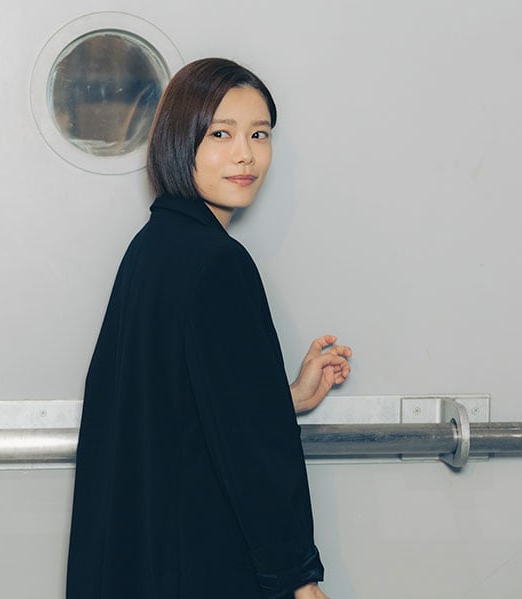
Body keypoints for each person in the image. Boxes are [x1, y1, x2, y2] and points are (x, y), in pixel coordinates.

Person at [66, 57, 352, 599]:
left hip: (145, 564)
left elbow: (183, 408)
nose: (245, 154)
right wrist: (299, 578)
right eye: (221, 133)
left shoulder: (152, 248)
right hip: (202, 565)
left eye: (259, 134)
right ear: (181, 141)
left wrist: (286, 397)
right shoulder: (218, 263)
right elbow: (252, 452)